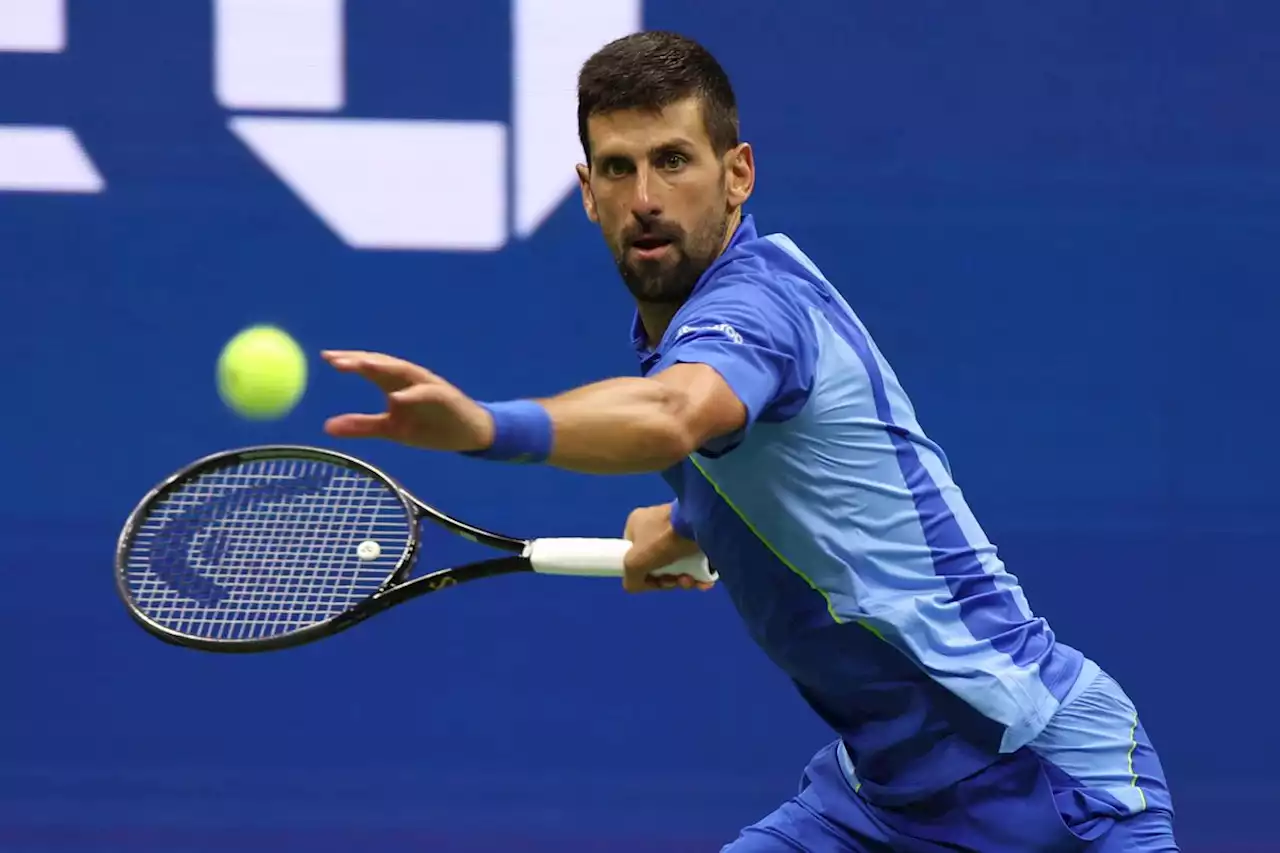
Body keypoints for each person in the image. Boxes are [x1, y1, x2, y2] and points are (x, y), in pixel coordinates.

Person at [320, 30, 1178, 853]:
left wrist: (484, 427)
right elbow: (767, 468)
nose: (645, 197)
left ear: (738, 175)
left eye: (673, 161)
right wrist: (691, 524)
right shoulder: (677, 331)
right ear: (587, 192)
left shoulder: (756, 309)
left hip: (1045, 783)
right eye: (618, 168)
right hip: (880, 798)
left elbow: (670, 416)